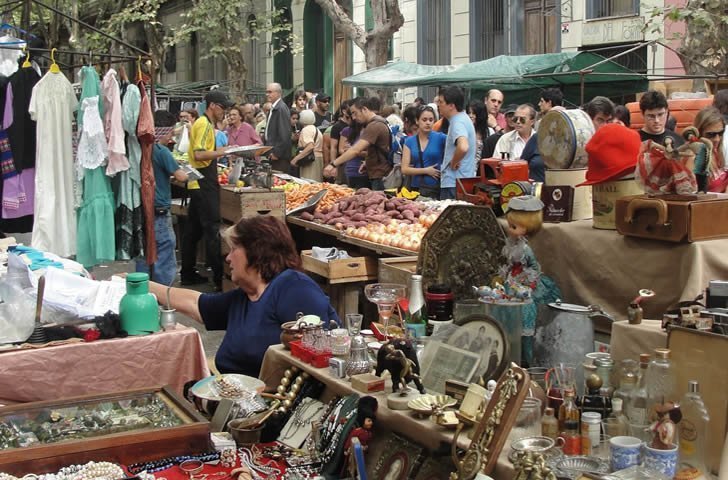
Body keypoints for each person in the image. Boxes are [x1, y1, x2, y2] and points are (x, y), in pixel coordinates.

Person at [150, 215, 339, 378]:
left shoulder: (294, 288)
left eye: (233, 249)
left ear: (256, 251)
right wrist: (140, 286)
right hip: (235, 396)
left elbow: (318, 359)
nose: (228, 257)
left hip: (276, 406)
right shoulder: (244, 297)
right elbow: (195, 303)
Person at [180, 90, 232, 289]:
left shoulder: (205, 124)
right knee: (211, 230)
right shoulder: (203, 124)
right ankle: (219, 279)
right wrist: (223, 151)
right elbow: (200, 154)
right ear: (213, 106)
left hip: (198, 182)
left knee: (192, 232)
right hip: (203, 183)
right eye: (223, 107)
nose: (224, 112)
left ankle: (187, 273)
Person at [501, 195, 560, 365]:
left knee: (524, 322)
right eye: (510, 225)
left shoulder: (525, 249)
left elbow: (534, 267)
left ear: (527, 228)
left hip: (523, 287)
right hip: (512, 282)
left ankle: (525, 360)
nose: (510, 229)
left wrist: (528, 283)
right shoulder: (513, 245)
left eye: (514, 227)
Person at [136, 117, 188, 286]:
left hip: (139, 209)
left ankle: (143, 292)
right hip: (158, 209)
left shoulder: (136, 150)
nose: (172, 137)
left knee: (143, 253)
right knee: (164, 252)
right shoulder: (161, 151)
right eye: (171, 133)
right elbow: (181, 176)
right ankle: (164, 296)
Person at [326, 97, 391, 191]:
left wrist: (333, 164)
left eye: (354, 113)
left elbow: (355, 150)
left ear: (364, 109)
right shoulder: (379, 122)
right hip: (376, 173)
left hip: (380, 175)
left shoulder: (375, 125)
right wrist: (367, 162)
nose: (353, 117)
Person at [437, 86, 476, 200]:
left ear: (451, 105)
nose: (438, 105)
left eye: (441, 102)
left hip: (453, 182)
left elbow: (463, 146)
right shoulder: (463, 118)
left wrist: (454, 161)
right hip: (462, 181)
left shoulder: (457, 122)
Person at [401, 105, 445, 198]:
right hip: (415, 188)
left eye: (431, 120)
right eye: (424, 120)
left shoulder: (441, 137)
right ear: (417, 121)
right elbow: (404, 169)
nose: (428, 123)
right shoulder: (409, 141)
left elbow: (456, 146)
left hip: (435, 187)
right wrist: (426, 171)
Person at [691, 106, 727, 192]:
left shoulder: (717, 151)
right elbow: (692, 196)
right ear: (699, 133)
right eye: (711, 134)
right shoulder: (693, 157)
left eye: (720, 133)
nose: (717, 139)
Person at [263, 83, 293, 173]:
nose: (267, 94)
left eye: (270, 92)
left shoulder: (281, 108)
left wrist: (276, 153)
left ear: (278, 93)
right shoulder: (274, 108)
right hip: (272, 153)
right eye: (266, 92)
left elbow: (285, 133)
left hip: (279, 157)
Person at [291, 109, 323, 181]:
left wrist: (296, 159)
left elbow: (310, 146)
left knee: (308, 183)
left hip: (310, 161)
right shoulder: (316, 129)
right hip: (318, 159)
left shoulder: (306, 130)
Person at [339, 113, 369, 189]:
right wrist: (348, 151)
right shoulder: (347, 130)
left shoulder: (367, 131)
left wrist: (354, 151)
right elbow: (341, 150)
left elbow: (369, 153)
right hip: (350, 169)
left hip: (363, 171)